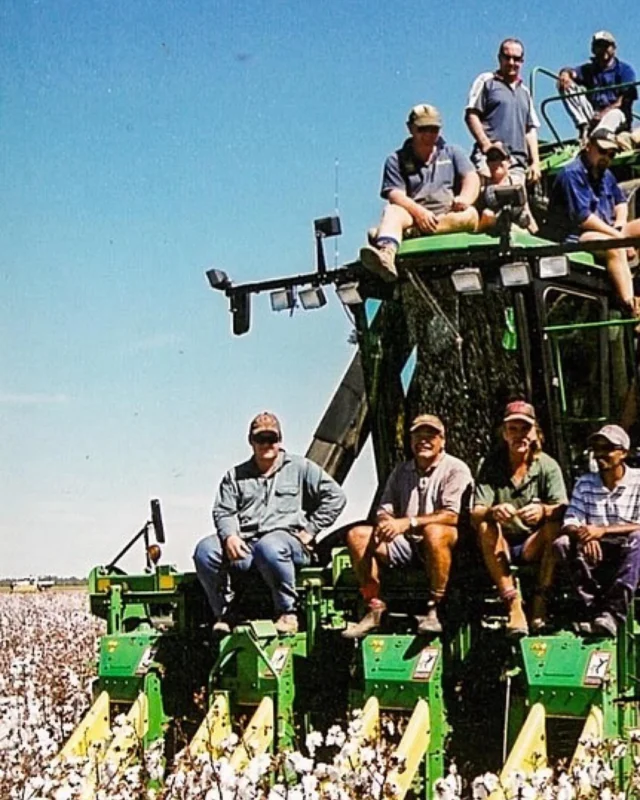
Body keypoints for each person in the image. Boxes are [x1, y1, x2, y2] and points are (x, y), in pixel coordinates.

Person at [193, 412, 346, 635]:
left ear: (280, 440)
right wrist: (230, 536)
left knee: (271, 545)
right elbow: (224, 511)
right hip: (247, 546)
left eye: (271, 438)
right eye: (260, 438)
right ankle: (226, 613)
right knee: (205, 550)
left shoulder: (301, 468)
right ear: (251, 441)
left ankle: (287, 612)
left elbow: (336, 497)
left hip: (286, 546)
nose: (266, 444)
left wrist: (310, 531)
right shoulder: (235, 476)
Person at [342, 414, 473, 638]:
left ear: (443, 440)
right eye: (418, 436)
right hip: (408, 545)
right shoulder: (401, 471)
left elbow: (453, 515)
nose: (424, 440)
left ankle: (436, 607)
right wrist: (386, 523)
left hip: (445, 546)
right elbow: (384, 509)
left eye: (430, 435)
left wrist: (408, 522)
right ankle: (374, 605)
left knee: (434, 532)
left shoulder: (455, 469)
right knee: (358, 535)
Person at [471, 401, 567, 636]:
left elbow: (563, 508)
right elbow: (475, 512)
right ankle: (513, 603)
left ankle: (539, 603)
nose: (519, 436)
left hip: (531, 543)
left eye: (525, 429)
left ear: (535, 433)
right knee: (485, 526)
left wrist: (543, 510)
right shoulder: (491, 464)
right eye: (513, 429)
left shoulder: (547, 466)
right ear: (504, 434)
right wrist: (494, 511)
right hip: (500, 542)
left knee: (555, 529)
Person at [359, 104, 479, 282]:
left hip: (447, 214)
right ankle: (387, 254)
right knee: (391, 211)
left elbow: (471, 177)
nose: (429, 134)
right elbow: (395, 195)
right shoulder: (396, 159)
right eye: (423, 129)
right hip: (413, 215)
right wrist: (420, 213)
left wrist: (465, 198)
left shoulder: (453, 152)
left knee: (470, 215)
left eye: (434, 129)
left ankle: (403, 233)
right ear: (410, 129)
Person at [554, 425, 640, 637]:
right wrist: (583, 534)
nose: (601, 454)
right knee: (562, 543)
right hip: (596, 549)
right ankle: (592, 608)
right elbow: (570, 520)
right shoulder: (585, 483)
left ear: (623, 453)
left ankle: (613, 613)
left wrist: (602, 531)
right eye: (597, 448)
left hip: (629, 548)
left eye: (608, 449)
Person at [547, 128, 640, 317]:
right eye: (602, 151)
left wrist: (620, 227)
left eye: (611, 153)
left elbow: (620, 202)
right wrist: (620, 239)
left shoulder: (606, 174)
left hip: (610, 230)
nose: (606, 157)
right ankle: (632, 308)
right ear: (588, 147)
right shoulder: (571, 174)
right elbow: (584, 219)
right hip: (576, 238)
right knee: (614, 248)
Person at [465, 38, 541, 182]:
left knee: (516, 199)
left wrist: (535, 162)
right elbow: (471, 115)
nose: (511, 62)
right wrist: (487, 146)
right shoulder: (487, 82)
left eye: (516, 59)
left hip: (517, 163)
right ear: (499, 58)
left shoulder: (524, 92)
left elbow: (530, 130)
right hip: (490, 159)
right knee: (491, 197)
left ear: (522, 61)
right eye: (507, 57)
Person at [557, 31, 637, 141]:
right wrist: (564, 74)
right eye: (599, 46)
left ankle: (600, 136)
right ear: (593, 50)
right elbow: (572, 72)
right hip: (593, 115)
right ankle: (583, 126)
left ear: (613, 48)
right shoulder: (588, 69)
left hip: (616, 115)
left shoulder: (625, 70)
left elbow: (623, 101)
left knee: (615, 114)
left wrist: (602, 114)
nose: (603, 49)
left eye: (606, 46)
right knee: (565, 85)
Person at [476, 143, 538, 234]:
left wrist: (535, 232)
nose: (496, 163)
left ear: (509, 161)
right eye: (492, 159)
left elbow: (526, 210)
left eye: (500, 158)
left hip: (515, 229)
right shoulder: (482, 185)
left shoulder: (516, 183)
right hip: (490, 232)